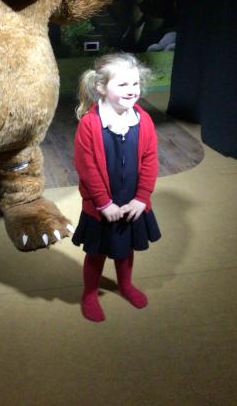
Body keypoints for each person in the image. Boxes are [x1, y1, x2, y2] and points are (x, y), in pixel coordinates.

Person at [72, 52, 161, 322]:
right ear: (101, 87)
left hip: (132, 201)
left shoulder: (143, 120)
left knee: (126, 248)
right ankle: (89, 293)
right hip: (102, 206)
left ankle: (126, 285)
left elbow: (150, 160)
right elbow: (87, 168)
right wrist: (103, 203)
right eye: (123, 84)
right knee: (97, 252)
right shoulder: (90, 125)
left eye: (135, 84)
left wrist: (141, 198)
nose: (132, 90)